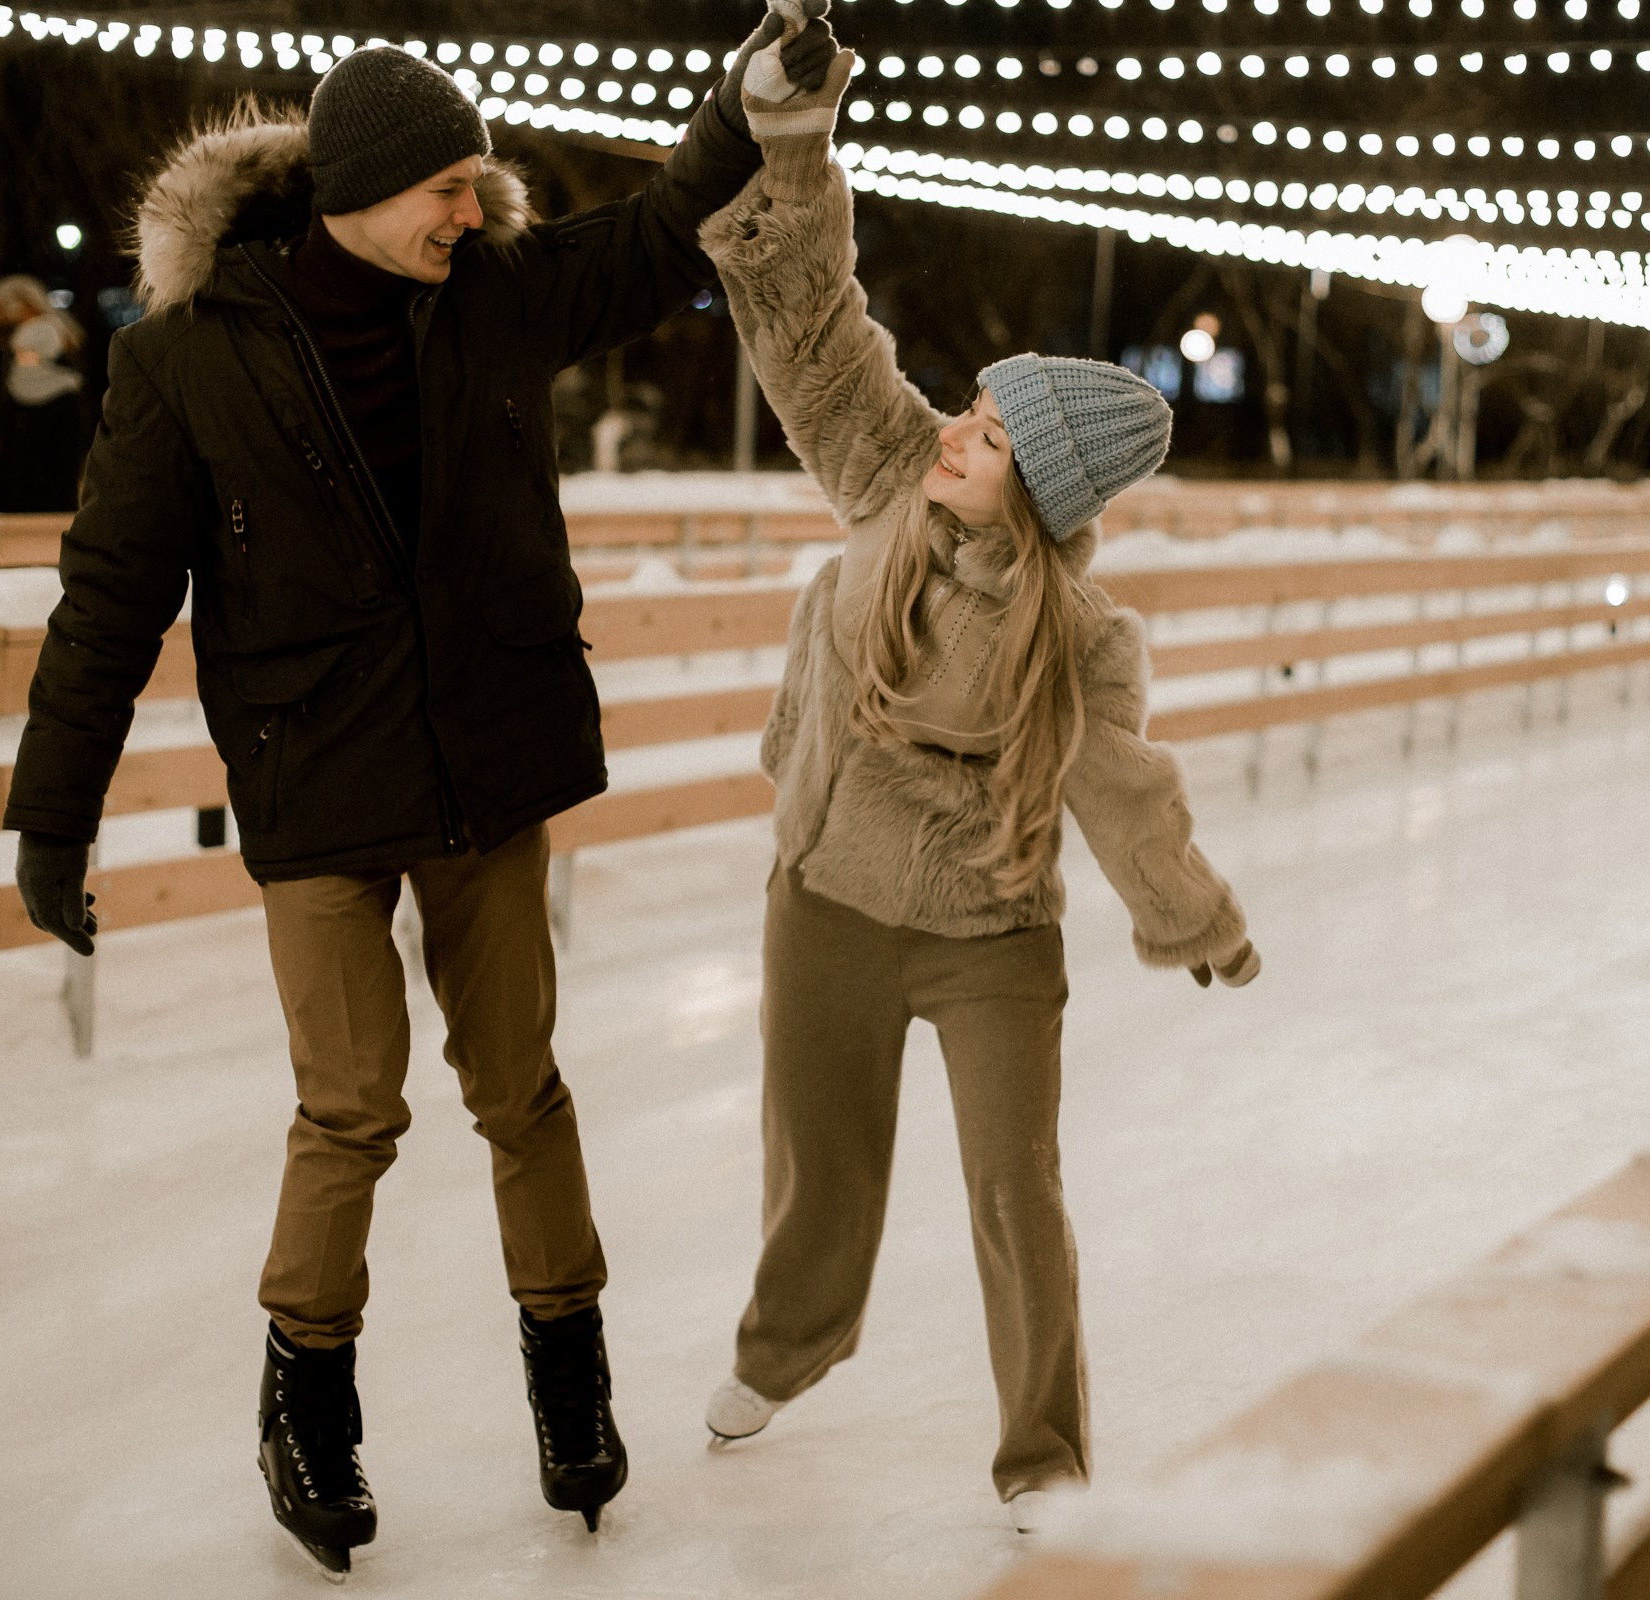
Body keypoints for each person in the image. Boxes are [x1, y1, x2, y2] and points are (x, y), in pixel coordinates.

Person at [0, 6, 841, 1578]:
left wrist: (745, 108)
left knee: (520, 1086)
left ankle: (571, 1383)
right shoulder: (185, 360)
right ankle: (306, 1407)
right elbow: (109, 596)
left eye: (475, 181)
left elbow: (660, 230)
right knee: (351, 1103)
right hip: (317, 773)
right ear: (363, 190)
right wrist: (56, 813)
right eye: (448, 185)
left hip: (484, 760)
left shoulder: (498, 295)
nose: (474, 207)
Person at [693, 30, 1260, 1534]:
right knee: (821, 1173)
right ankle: (786, 1349)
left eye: (993, 437)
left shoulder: (1079, 638)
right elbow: (820, 334)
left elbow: (1122, 787)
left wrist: (1193, 917)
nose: (958, 432)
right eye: (973, 408)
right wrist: (794, 145)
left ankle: (1043, 1454)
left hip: (989, 929)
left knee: (1019, 1194)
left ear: (1042, 491)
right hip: (829, 893)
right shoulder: (891, 477)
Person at [0, 274, 92, 513]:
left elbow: (26, 382)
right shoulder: (59, 331)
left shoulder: (34, 333)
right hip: (59, 419)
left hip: (35, 424)